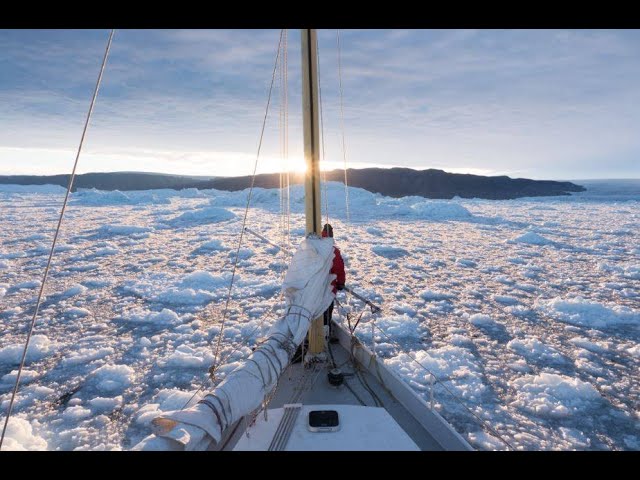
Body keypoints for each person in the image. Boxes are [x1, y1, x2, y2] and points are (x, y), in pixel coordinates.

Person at [321, 223, 345, 335]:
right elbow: (339, 268)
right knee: (326, 311)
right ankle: (324, 336)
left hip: (311, 288)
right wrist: (340, 283)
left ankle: (309, 333)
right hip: (327, 289)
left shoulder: (315, 247)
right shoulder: (333, 250)